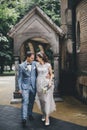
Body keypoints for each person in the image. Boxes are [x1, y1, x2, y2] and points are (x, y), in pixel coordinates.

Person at [36, 51, 56, 126]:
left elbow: (51, 74)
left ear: (41, 57)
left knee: (46, 100)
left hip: (47, 85)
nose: (36, 58)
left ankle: (47, 117)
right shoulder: (37, 64)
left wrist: (50, 82)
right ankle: (44, 114)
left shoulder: (48, 65)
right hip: (39, 84)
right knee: (42, 100)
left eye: (37, 57)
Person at [18, 51, 37, 127]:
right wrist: (20, 88)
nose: (33, 59)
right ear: (28, 57)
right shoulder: (21, 66)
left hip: (33, 87)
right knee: (25, 102)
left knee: (31, 102)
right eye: (32, 58)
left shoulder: (35, 64)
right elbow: (20, 78)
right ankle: (24, 118)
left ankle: (30, 114)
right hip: (25, 87)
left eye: (33, 58)